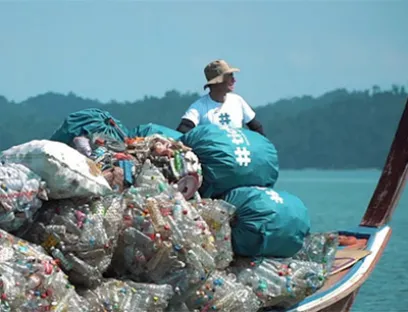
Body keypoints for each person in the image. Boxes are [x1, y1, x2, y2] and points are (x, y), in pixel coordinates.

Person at [176, 59, 265, 136]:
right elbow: (183, 130)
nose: (234, 80)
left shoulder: (238, 101)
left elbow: (257, 129)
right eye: (230, 77)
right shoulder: (199, 106)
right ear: (217, 82)